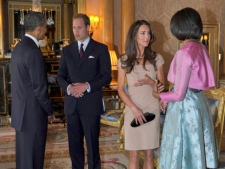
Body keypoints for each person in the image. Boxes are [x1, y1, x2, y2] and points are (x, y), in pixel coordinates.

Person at [152, 7, 218, 169]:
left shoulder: (184, 52)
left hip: (185, 106)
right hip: (199, 102)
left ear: (180, 27)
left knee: (181, 150)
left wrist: (161, 96)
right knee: (195, 148)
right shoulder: (202, 48)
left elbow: (179, 93)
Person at [57, 13, 111, 169]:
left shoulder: (101, 49)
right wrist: (69, 88)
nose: (76, 31)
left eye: (79, 27)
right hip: (72, 105)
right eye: (74, 27)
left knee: (92, 145)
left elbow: (106, 77)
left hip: (91, 104)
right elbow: (60, 76)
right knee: (74, 146)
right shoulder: (67, 51)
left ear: (88, 27)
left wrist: (86, 85)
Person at [117, 20, 165, 169]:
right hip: (133, 110)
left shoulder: (157, 58)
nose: (147, 37)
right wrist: (134, 108)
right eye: (143, 33)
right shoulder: (124, 60)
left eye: (149, 33)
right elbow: (120, 89)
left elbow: (162, 90)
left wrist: (151, 82)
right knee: (134, 155)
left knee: (150, 154)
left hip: (152, 109)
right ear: (134, 36)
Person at [11, 11, 53, 169]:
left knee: (24, 159)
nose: (46, 31)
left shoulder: (19, 47)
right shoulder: (34, 51)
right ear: (39, 28)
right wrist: (50, 110)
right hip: (33, 115)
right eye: (45, 27)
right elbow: (40, 88)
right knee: (34, 160)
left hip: (20, 114)